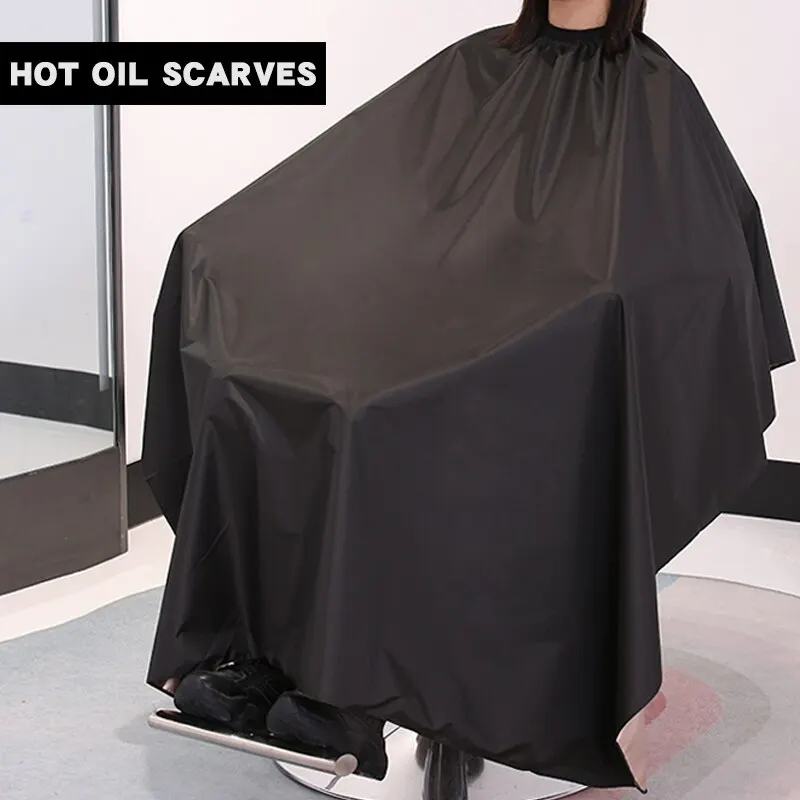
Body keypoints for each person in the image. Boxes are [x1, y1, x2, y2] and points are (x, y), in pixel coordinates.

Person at [143, 0, 794, 790]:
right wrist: (225, 247)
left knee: (382, 418)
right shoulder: (474, 65)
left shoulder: (655, 91)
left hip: (547, 355)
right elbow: (381, 196)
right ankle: (260, 659)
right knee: (300, 394)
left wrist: (593, 308)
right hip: (442, 321)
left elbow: (702, 253)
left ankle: (351, 694)